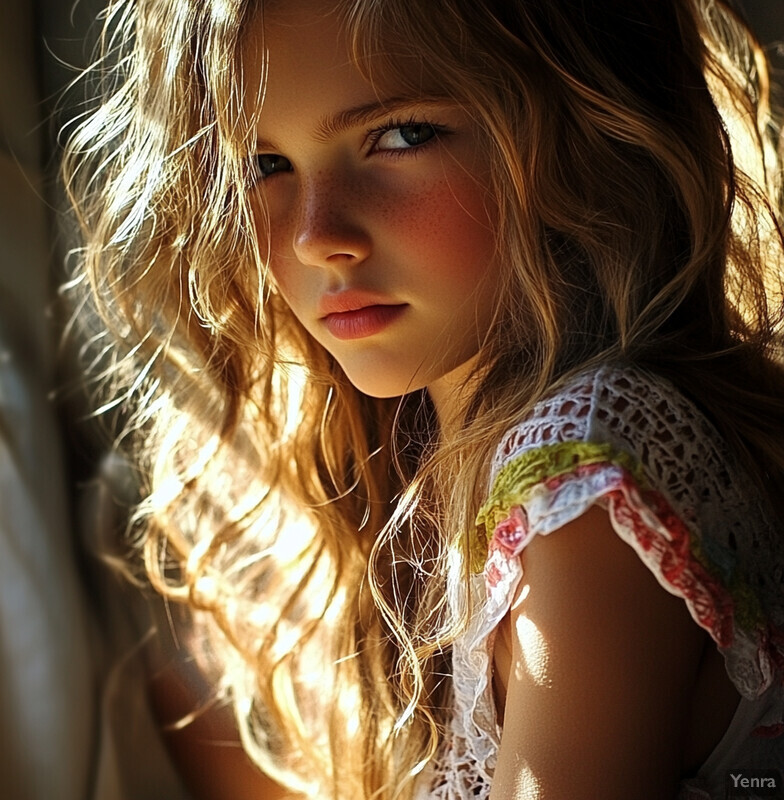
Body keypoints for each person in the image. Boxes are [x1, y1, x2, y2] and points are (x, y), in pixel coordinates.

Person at [63, 0, 784, 797]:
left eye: (402, 136)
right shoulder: (404, 469)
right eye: (265, 165)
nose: (315, 234)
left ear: (587, 123)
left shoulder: (585, 484)